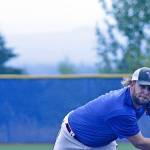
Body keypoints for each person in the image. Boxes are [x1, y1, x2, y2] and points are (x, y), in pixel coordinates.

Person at [53, 67, 150, 150]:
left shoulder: (143, 98)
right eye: (142, 86)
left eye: (149, 88)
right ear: (132, 84)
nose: (146, 92)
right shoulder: (121, 110)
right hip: (72, 139)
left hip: (103, 144)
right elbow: (140, 143)